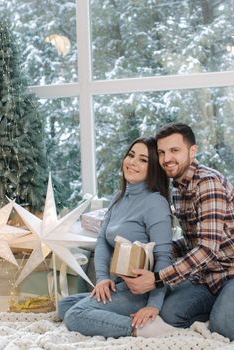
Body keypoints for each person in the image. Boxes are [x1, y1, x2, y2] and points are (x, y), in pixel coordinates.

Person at [122, 122, 234, 341]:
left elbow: (206, 249)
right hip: (208, 277)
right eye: (162, 152)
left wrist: (157, 279)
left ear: (192, 151)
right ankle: (225, 307)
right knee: (170, 315)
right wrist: (154, 249)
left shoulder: (208, 183)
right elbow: (191, 240)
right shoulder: (177, 188)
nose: (167, 159)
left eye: (175, 150)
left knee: (226, 329)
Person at [58, 137, 176, 338]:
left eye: (143, 160)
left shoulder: (155, 203)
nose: (132, 162)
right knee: (64, 305)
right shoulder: (119, 197)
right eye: (131, 155)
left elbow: (164, 257)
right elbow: (102, 239)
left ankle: (143, 328)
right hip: (121, 285)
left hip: (142, 291)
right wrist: (102, 279)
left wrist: (153, 305)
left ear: (154, 168)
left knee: (75, 315)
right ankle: (120, 317)